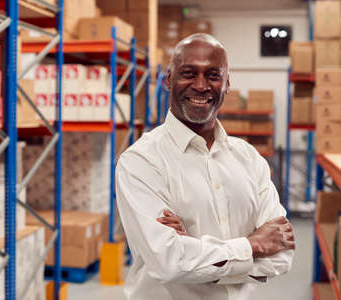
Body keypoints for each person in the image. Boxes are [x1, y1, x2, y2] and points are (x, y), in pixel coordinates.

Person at [115, 33, 295, 300]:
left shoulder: (249, 158)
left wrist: (194, 250)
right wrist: (253, 244)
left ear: (227, 83)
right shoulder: (141, 161)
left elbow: (281, 255)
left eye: (213, 75)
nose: (201, 86)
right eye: (189, 73)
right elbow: (168, 262)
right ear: (168, 79)